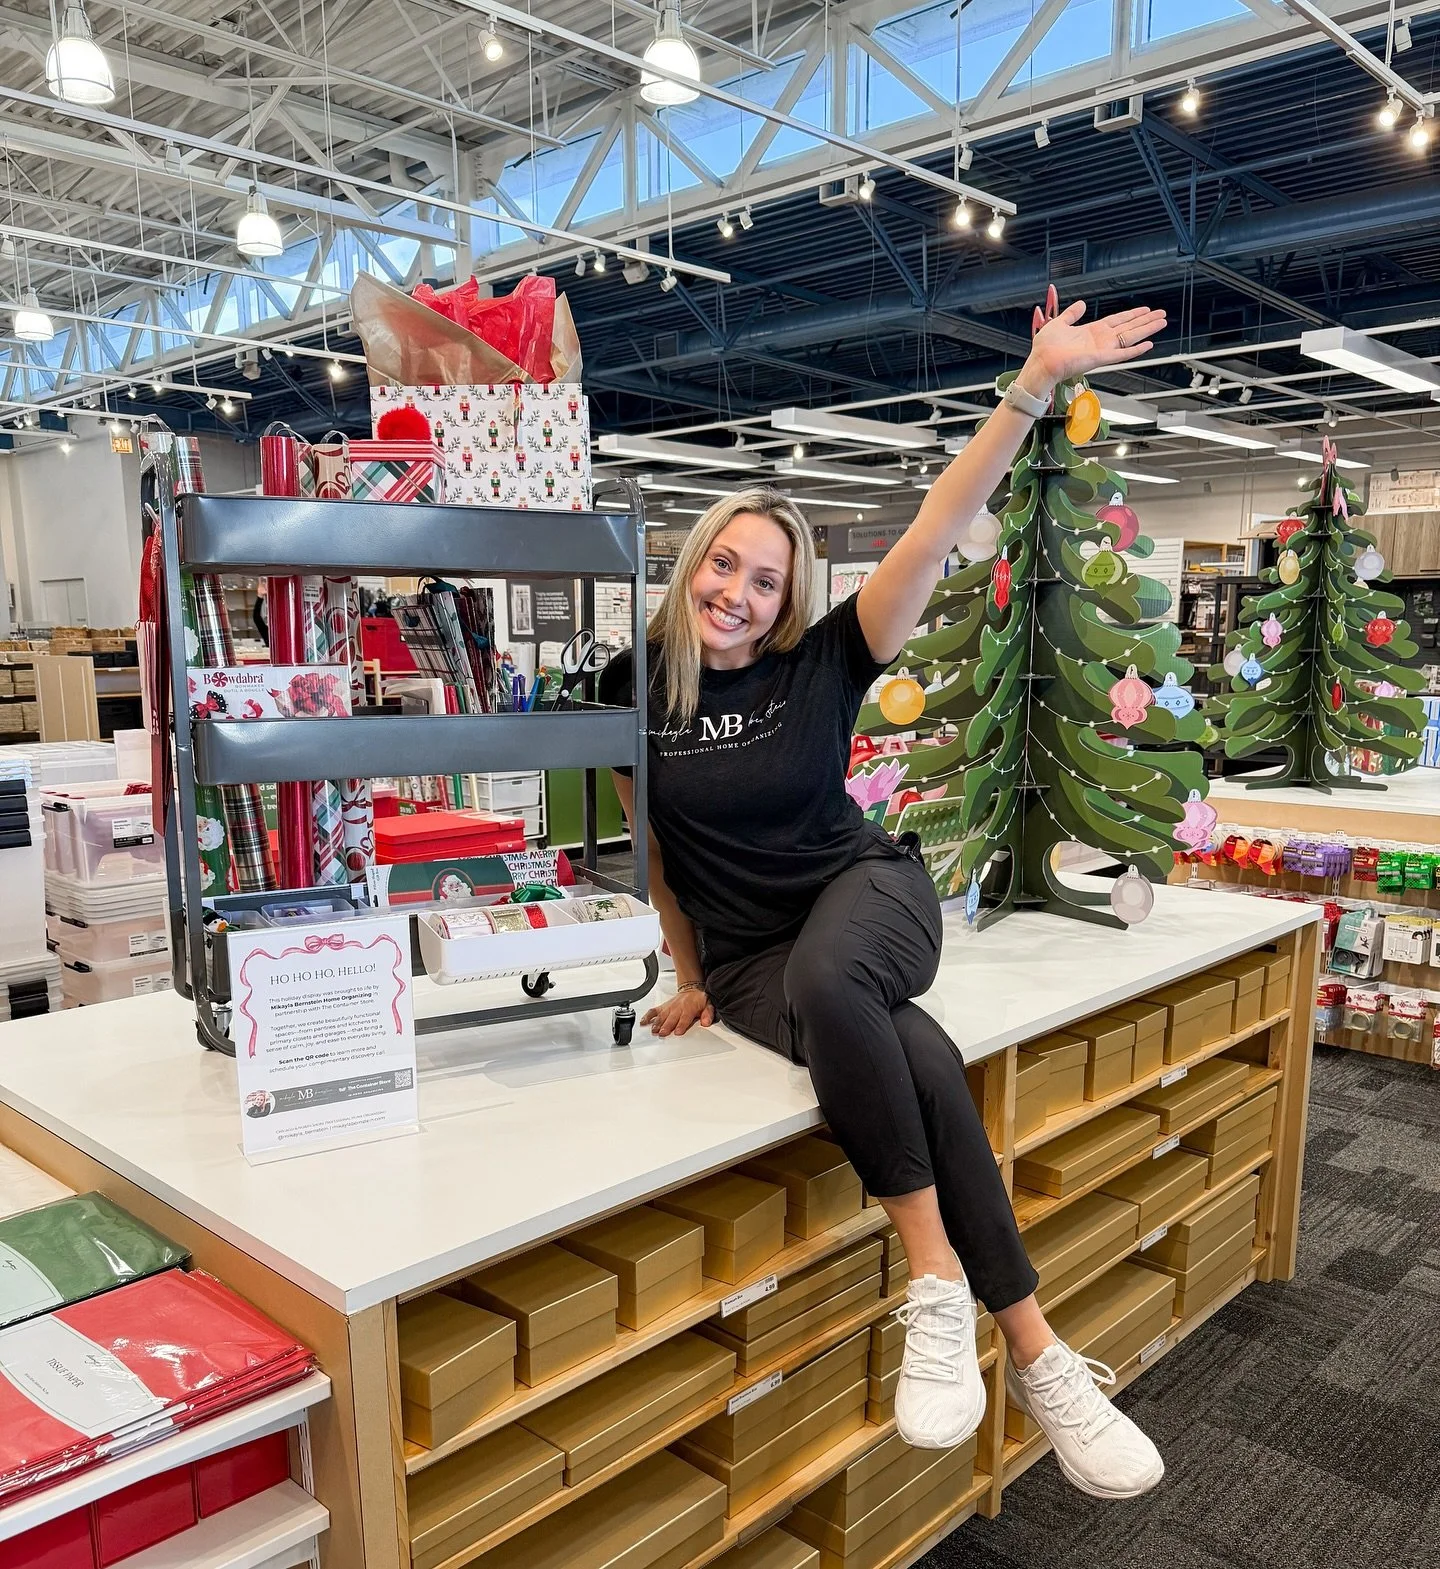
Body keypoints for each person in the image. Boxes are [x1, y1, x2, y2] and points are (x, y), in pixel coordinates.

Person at [599, 300, 1168, 1499]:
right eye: (724, 564)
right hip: (753, 960)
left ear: (791, 594)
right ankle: (1044, 1356)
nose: (740, 594)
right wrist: (690, 974)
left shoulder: (828, 661)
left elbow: (941, 520)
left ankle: (933, 1284)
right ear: (692, 560)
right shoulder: (630, 684)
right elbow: (657, 843)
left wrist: (1030, 387)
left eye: (767, 579)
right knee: (912, 1055)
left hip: (867, 895)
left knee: (840, 982)